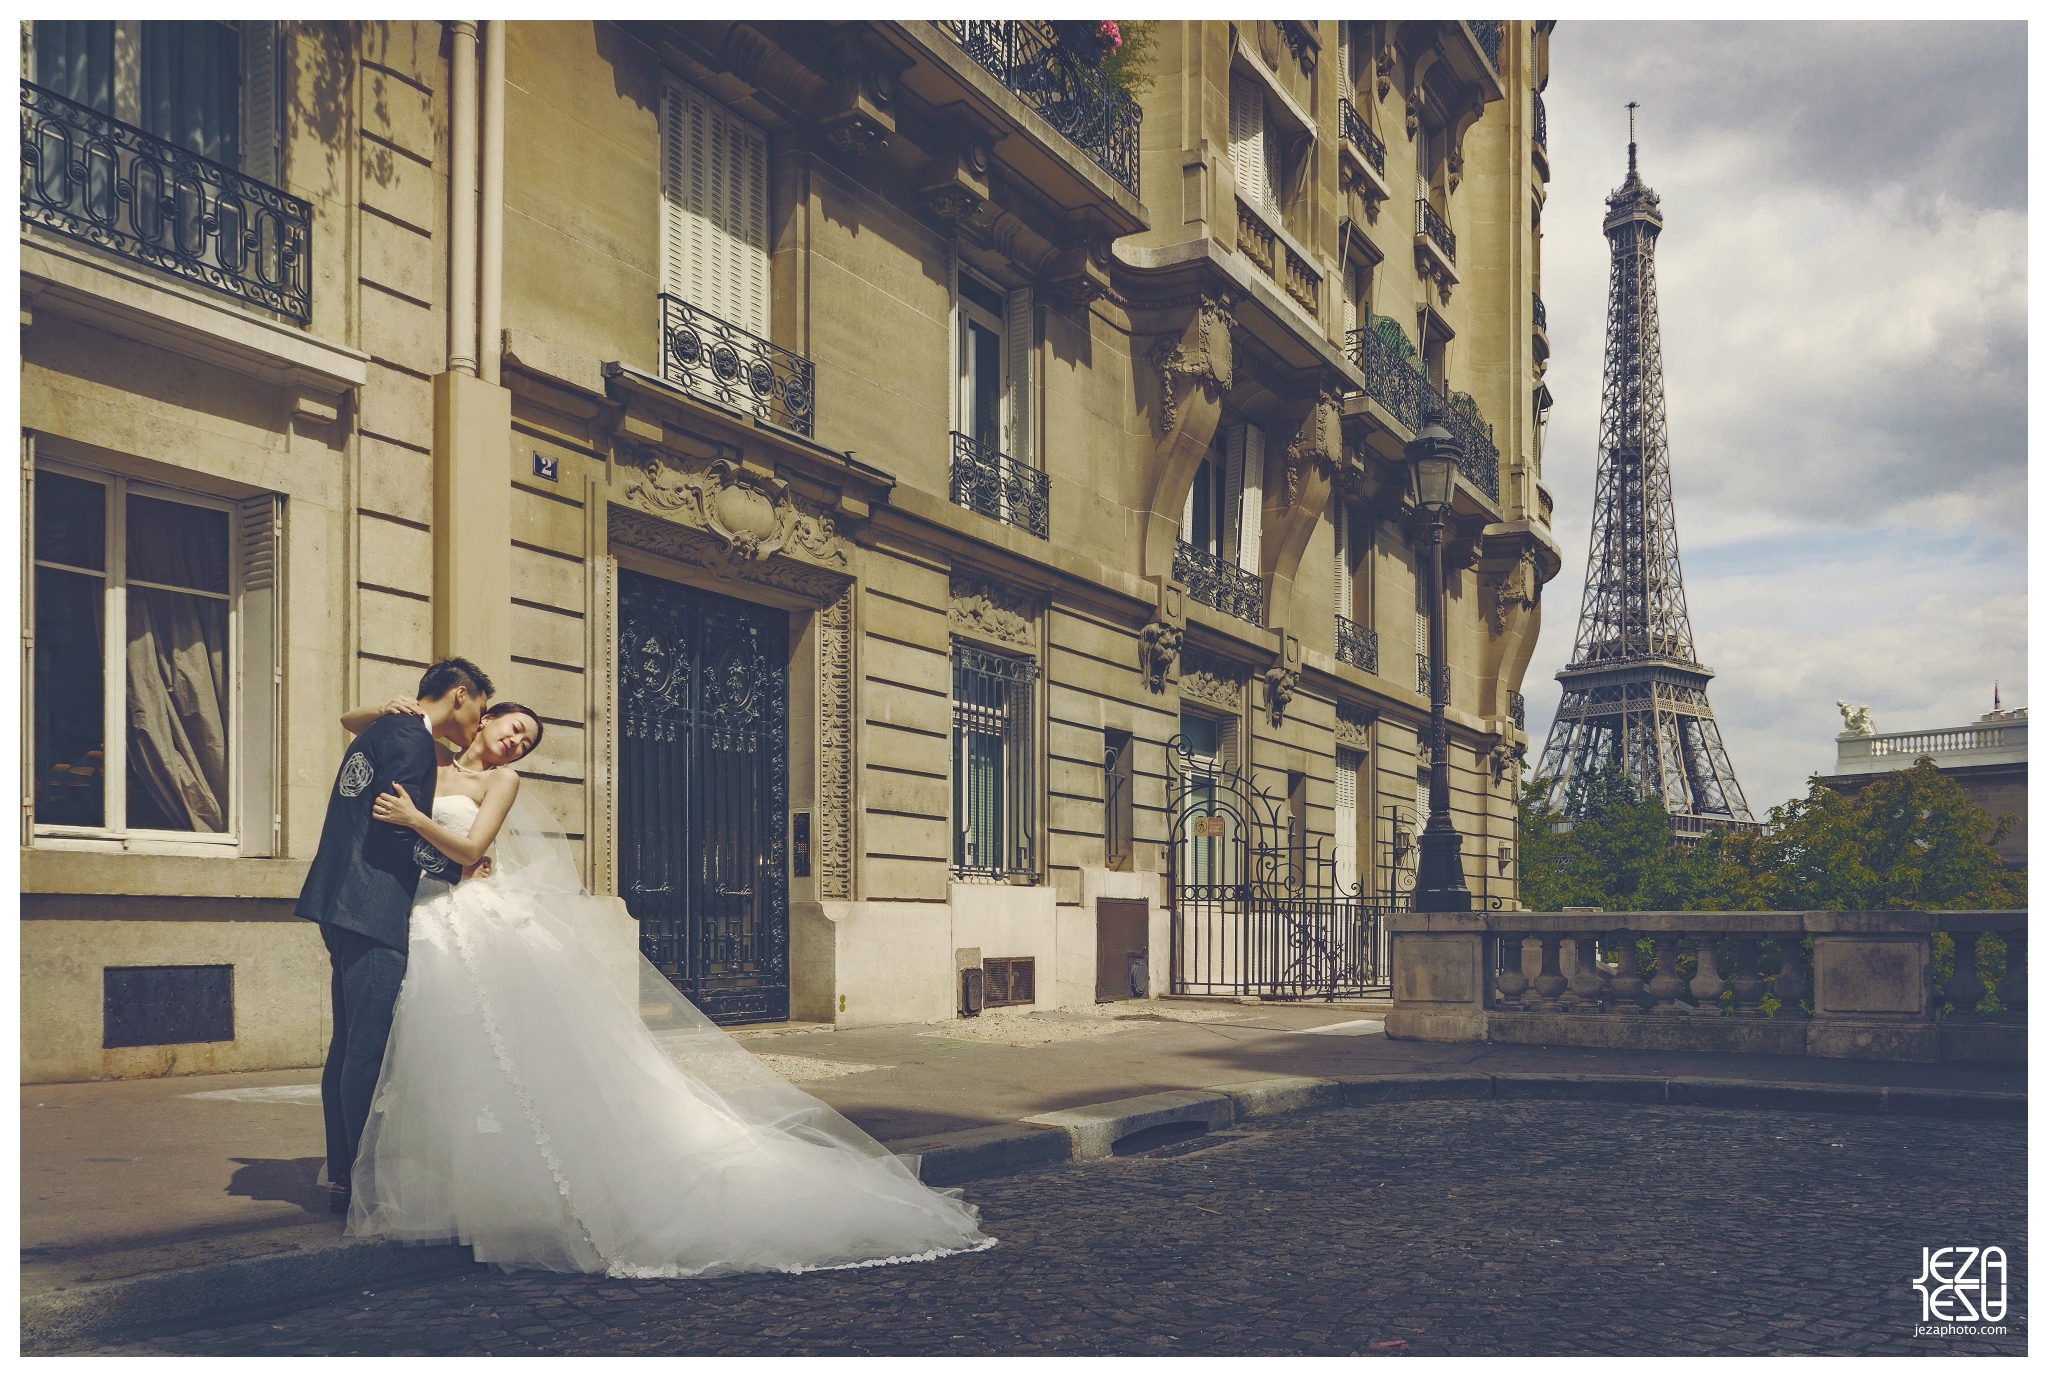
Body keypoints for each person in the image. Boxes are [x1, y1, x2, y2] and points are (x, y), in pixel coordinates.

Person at [332, 694, 993, 1277]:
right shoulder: (429, 752)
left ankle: (503, 1190)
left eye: (527, 741)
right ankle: (443, 1186)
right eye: (513, 728)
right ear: (485, 712)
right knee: (436, 1058)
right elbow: (352, 724)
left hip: (466, 917)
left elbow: (473, 850)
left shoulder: (500, 781)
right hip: (414, 915)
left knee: (490, 1055)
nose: (515, 742)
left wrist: (417, 820)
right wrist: (398, 706)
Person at [296, 657, 493, 1215]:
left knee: (345, 1048)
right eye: (479, 706)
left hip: (339, 901)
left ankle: (341, 1176)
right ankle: (362, 1184)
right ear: (460, 695)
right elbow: (393, 832)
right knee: (368, 1052)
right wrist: (454, 869)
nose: (481, 721)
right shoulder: (410, 741)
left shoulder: (386, 729)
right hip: (372, 904)